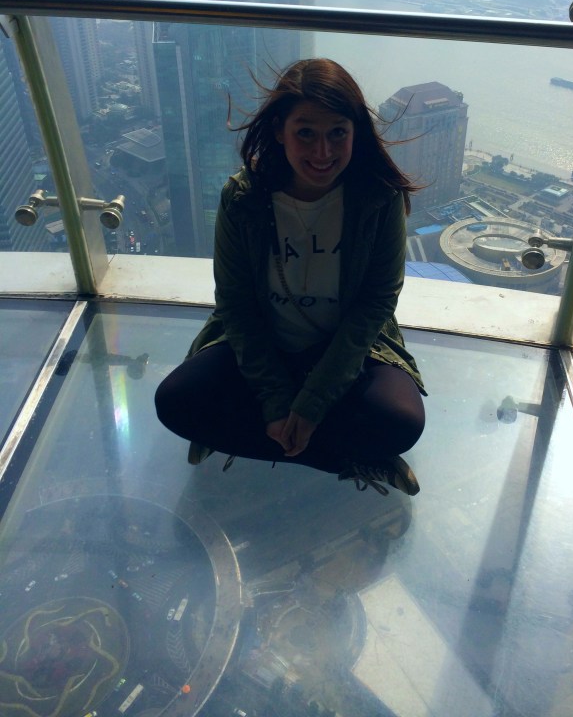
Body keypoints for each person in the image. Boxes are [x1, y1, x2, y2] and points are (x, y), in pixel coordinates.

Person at [155, 58, 426, 496]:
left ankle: (242, 434)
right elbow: (237, 307)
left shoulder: (378, 198)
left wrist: (312, 403)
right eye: (306, 133)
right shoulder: (243, 198)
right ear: (280, 131)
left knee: (401, 421)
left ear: (356, 132)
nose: (323, 152)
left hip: (343, 348)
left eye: (338, 132)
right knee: (174, 402)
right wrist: (279, 402)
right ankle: (350, 456)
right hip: (265, 339)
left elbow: (375, 304)